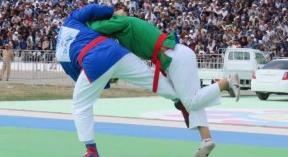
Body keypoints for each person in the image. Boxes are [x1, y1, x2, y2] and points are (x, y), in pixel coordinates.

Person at [86, 10, 240, 157]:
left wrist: (84, 22)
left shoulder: (123, 22)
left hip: (174, 58)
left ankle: (227, 82)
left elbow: (96, 27)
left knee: (191, 101)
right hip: (177, 55)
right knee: (191, 99)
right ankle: (206, 139)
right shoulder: (124, 29)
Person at [55, 4, 179, 157]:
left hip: (93, 61)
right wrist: (112, 12)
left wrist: (105, 80)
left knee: (80, 105)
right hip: (115, 51)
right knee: (148, 77)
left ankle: (91, 150)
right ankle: (180, 98)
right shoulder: (71, 20)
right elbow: (91, 9)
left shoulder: (60, 55)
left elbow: (78, 76)